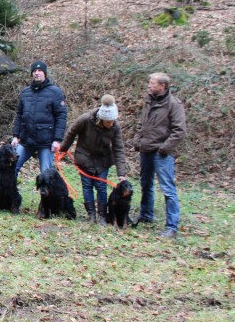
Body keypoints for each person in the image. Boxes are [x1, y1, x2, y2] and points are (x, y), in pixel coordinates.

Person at [58, 94, 129, 224]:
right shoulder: (86, 119)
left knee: (101, 187)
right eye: (109, 122)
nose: (111, 124)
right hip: (84, 158)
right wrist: (63, 149)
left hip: (103, 160)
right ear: (101, 119)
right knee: (87, 186)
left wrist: (121, 173)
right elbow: (71, 132)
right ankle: (91, 215)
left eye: (113, 121)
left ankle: (102, 215)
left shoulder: (115, 126)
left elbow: (118, 148)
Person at [132, 72, 187, 238]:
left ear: (163, 86)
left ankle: (171, 227)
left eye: (153, 83)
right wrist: (137, 140)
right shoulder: (149, 100)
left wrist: (164, 148)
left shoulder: (174, 104)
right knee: (145, 184)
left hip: (161, 153)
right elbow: (141, 123)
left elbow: (179, 131)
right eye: (149, 82)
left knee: (168, 189)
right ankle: (146, 215)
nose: (149, 85)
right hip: (145, 150)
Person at [11, 60, 68, 181]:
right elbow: (19, 115)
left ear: (45, 73)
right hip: (26, 140)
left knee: (46, 174)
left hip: (46, 141)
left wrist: (57, 140)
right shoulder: (25, 92)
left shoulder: (55, 92)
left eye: (40, 71)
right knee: (12, 168)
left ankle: (47, 194)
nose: (37, 73)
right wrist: (16, 135)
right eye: (34, 71)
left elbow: (61, 116)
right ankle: (11, 192)